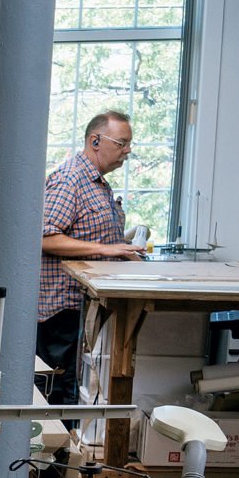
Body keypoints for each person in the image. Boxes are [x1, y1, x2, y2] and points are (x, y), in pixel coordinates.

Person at [38, 110, 148, 403]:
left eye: (129, 144)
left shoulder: (98, 183)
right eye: (121, 143)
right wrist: (106, 250)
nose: (127, 151)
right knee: (63, 391)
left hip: (87, 307)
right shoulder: (69, 180)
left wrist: (126, 256)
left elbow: (98, 238)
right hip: (64, 311)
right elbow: (45, 236)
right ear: (95, 140)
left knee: (80, 390)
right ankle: (59, 447)